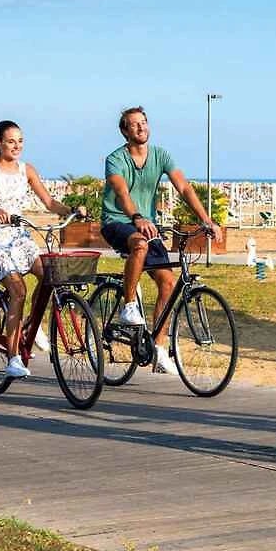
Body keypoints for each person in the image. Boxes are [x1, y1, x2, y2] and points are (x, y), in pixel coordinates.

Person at [100, 106, 223, 374]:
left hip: (147, 226)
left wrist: (206, 220)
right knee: (139, 245)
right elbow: (121, 192)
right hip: (117, 222)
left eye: (144, 122)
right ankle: (128, 306)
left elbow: (184, 187)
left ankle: (158, 347)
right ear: (124, 131)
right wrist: (137, 217)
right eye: (134, 124)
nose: (141, 127)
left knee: (168, 282)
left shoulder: (160, 155)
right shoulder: (115, 159)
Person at [0, 120, 85, 378]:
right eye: (11, 141)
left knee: (50, 275)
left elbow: (49, 202)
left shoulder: (27, 169)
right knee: (18, 290)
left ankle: (31, 325)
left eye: (20, 141)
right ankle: (13, 358)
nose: (17, 146)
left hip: (18, 237)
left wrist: (72, 210)